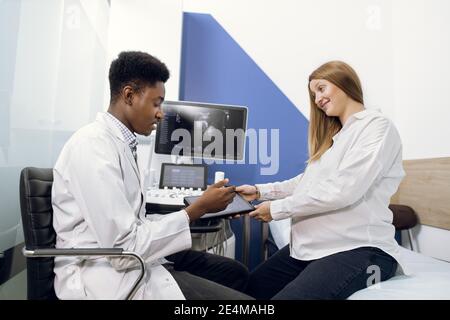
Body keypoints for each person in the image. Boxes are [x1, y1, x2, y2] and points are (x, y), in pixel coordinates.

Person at [52, 51, 251, 300]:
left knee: (236, 274)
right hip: (102, 276)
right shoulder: (92, 147)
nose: (161, 113)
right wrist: (195, 210)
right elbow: (123, 248)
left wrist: (204, 207)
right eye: (156, 103)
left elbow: (132, 222)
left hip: (129, 260)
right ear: (129, 95)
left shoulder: (120, 144)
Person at [236, 61, 406, 300]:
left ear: (343, 81)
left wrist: (277, 209)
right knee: (246, 292)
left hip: (359, 249)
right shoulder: (335, 140)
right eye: (314, 94)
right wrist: (258, 191)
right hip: (311, 250)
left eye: (321, 88)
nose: (317, 99)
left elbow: (343, 190)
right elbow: (305, 183)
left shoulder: (376, 127)